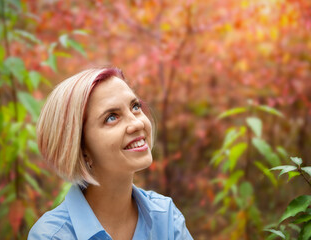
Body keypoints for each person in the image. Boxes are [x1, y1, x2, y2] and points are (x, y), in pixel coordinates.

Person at [28, 67, 193, 240]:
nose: (137, 123)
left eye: (135, 107)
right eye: (112, 117)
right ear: (80, 148)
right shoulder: (51, 236)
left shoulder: (165, 216)